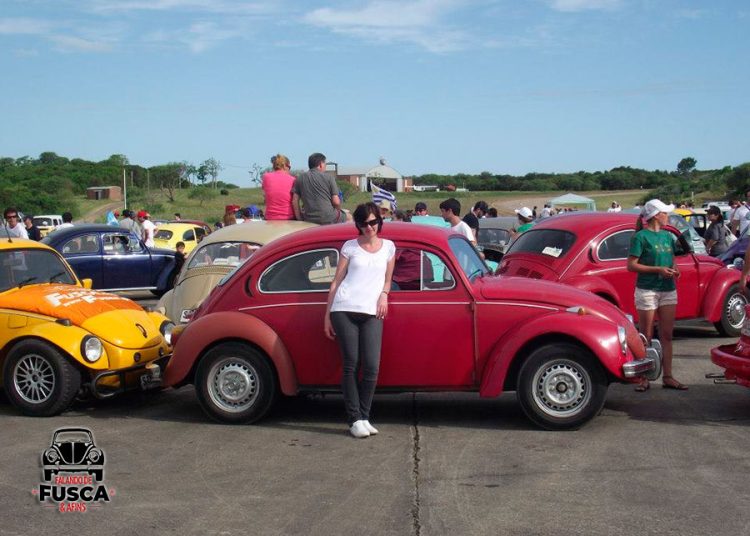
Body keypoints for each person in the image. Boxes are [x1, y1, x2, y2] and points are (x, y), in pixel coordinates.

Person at [324, 202, 395, 438]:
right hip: (344, 308)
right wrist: (327, 315)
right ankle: (354, 418)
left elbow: (388, 280)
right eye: (364, 223)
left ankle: (364, 416)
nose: (369, 227)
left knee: (372, 366)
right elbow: (336, 281)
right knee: (351, 364)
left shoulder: (389, 247)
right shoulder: (350, 246)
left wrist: (384, 295)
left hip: (372, 310)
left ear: (379, 222)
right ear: (358, 225)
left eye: (373, 222)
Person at [627, 199, 686, 391]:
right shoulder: (640, 237)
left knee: (667, 334)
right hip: (647, 290)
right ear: (656, 216)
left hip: (667, 288)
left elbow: (671, 259)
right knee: (647, 335)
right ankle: (643, 377)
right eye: (665, 213)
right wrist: (658, 270)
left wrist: (675, 269)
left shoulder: (667, 236)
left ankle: (668, 376)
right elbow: (631, 265)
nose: (667, 216)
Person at [292, 152, 348, 224]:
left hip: (308, 218)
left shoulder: (300, 178)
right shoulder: (329, 177)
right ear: (321, 164)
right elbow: (336, 202)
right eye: (325, 164)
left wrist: (299, 218)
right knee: (350, 217)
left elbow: (294, 201)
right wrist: (338, 211)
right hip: (329, 217)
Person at [262, 153, 296, 220]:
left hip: (270, 218)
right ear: (285, 166)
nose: (289, 170)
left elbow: (265, 198)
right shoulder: (293, 180)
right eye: (289, 167)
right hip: (288, 218)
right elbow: (294, 201)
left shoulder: (266, 177)